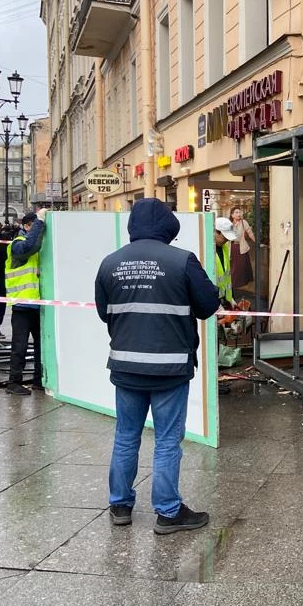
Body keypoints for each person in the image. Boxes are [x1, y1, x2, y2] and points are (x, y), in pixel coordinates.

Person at [95, 198, 220, 534]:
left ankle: (120, 505)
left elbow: (104, 312)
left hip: (126, 366)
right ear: (168, 226)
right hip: (169, 368)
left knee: (125, 435)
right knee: (166, 440)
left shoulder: (110, 263)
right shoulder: (182, 261)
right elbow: (208, 306)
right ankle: (167, 512)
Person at [4, 209, 47, 396]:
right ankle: (14, 382)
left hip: (38, 305)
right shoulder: (17, 244)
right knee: (20, 345)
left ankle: (38, 380)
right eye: (35, 226)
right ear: (28, 226)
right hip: (22, 304)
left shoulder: (39, 245)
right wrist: (40, 221)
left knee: (41, 345)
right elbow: (29, 248)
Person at [228, 206, 256, 291]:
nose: (239, 214)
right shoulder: (229, 224)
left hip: (241, 246)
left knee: (241, 266)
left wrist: (257, 242)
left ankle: (240, 285)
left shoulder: (244, 222)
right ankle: (232, 285)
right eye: (236, 212)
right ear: (232, 215)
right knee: (232, 266)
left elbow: (250, 233)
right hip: (231, 247)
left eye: (239, 212)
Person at [213, 217, 237, 307]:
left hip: (222, 299)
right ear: (216, 232)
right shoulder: (206, 251)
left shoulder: (225, 247)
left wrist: (230, 298)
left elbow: (226, 277)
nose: (227, 240)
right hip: (212, 301)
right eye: (225, 237)